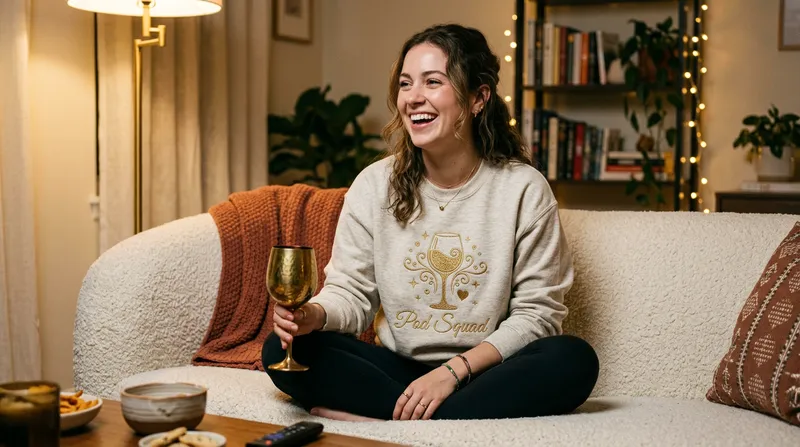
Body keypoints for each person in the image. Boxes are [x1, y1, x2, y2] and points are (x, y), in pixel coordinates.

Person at [262, 23, 598, 422]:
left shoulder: (524, 189)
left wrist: (451, 373)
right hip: (398, 371)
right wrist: (310, 316)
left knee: (573, 359)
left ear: (478, 98)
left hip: (485, 371)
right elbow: (351, 293)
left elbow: (537, 316)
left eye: (432, 81)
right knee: (282, 351)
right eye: (406, 84)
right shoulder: (374, 185)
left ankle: (392, 422)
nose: (413, 98)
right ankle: (437, 422)